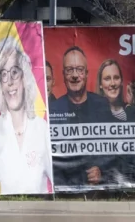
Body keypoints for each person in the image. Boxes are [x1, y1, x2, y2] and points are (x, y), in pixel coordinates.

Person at [0, 37, 54, 195]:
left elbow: (57, 182)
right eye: (3, 74)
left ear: (24, 77)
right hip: (7, 210)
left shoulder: (41, 128)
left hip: (39, 209)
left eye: (14, 72)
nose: (9, 81)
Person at [49, 46, 115, 186]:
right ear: (63, 75)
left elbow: (113, 147)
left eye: (79, 69)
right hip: (65, 186)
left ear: (86, 73)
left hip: (97, 189)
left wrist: (101, 170)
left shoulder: (102, 105)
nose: (75, 75)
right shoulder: (53, 110)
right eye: (69, 70)